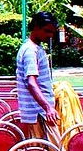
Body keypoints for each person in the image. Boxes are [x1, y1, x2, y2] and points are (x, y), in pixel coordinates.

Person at [16, 11, 61, 139]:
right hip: (39, 114)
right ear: (36, 27)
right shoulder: (30, 51)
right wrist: (47, 108)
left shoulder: (34, 48)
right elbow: (31, 83)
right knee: (52, 150)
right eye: (47, 31)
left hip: (41, 113)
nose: (50, 35)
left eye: (52, 32)